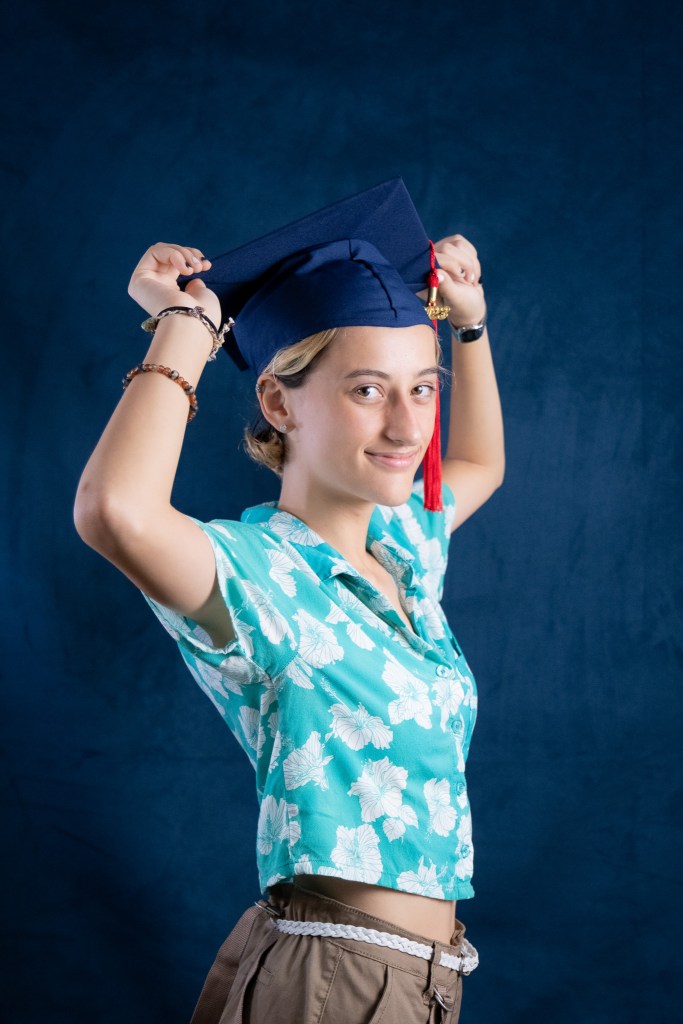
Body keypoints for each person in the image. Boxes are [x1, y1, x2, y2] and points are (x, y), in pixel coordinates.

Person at [74, 179, 504, 1023]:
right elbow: (113, 511)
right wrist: (187, 322)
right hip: (334, 980)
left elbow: (481, 464)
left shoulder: (403, 548)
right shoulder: (254, 575)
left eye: (422, 388)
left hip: (422, 981)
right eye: (366, 390)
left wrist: (470, 328)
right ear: (278, 401)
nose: (407, 427)